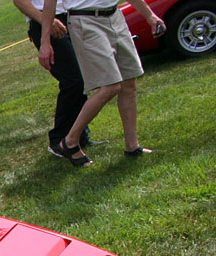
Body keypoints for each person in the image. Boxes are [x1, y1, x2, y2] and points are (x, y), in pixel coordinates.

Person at [38, 0, 164, 166]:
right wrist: (45, 42)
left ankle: (132, 147)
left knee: (128, 84)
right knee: (111, 86)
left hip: (115, 16)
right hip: (85, 21)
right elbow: (50, 3)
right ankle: (69, 141)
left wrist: (150, 16)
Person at [14, 0, 100, 156]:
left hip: (71, 18)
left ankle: (80, 136)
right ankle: (58, 139)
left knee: (79, 79)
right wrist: (45, 20)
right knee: (72, 80)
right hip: (47, 23)